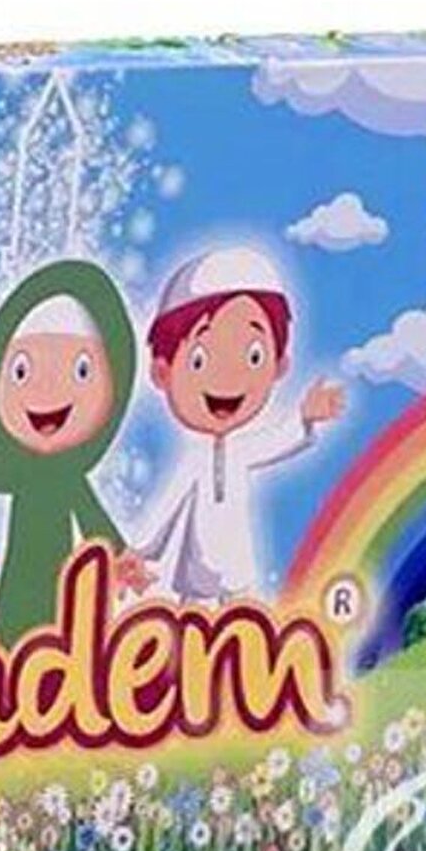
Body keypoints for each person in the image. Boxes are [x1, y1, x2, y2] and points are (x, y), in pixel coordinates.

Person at [0, 260, 137, 644]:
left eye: (82, 371)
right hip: (19, 583)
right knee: (13, 624)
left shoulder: (69, 477)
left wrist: (119, 557)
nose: (46, 391)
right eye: (21, 371)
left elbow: (93, 518)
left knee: (60, 624)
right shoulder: (22, 468)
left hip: (63, 587)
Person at [123, 245, 344, 605]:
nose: (227, 378)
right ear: (163, 372)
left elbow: (276, 442)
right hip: (195, 579)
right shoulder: (192, 458)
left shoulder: (243, 450)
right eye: (199, 359)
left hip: (238, 572)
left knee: (244, 619)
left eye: (253, 356)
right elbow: (166, 506)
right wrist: (138, 551)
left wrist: (305, 417)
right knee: (190, 624)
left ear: (279, 367)